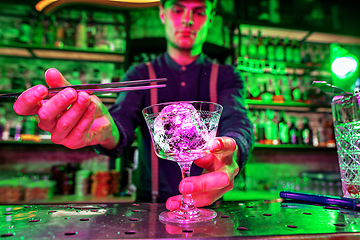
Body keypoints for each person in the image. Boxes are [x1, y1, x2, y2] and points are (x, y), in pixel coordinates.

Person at [13, 0, 254, 210]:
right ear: (162, 13)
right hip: (150, 205)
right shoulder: (139, 73)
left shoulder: (226, 76)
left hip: (210, 206)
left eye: (199, 12)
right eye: (178, 10)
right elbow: (121, 123)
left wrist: (233, 150)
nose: (188, 20)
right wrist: (105, 129)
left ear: (211, 17)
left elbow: (238, 123)